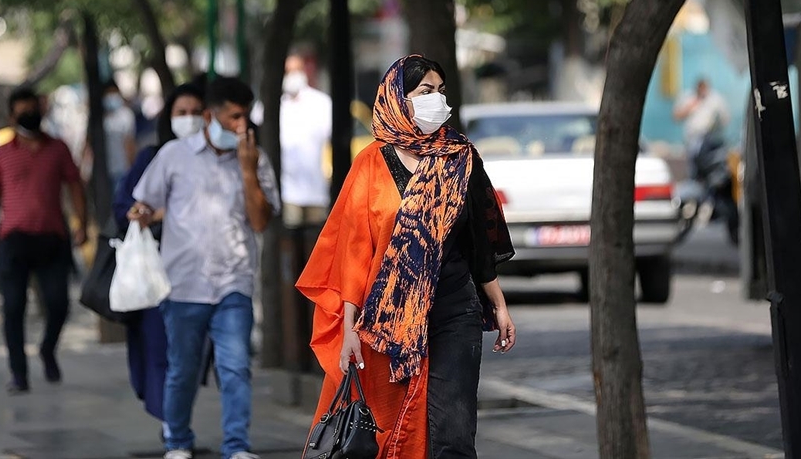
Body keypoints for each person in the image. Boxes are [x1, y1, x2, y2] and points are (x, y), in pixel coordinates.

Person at [296, 55, 517, 458]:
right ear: (398, 98)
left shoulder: (459, 157)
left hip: (454, 309)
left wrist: (499, 306)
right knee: (386, 429)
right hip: (386, 315)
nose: (437, 100)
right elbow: (354, 252)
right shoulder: (370, 163)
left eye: (441, 90)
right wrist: (349, 328)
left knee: (454, 434)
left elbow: (479, 244)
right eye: (425, 91)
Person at [128, 76, 280, 459]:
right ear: (211, 117)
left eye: (245, 117)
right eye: (234, 117)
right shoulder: (174, 155)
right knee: (182, 370)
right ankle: (177, 440)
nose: (241, 126)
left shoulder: (256, 159)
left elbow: (260, 221)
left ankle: (237, 446)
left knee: (235, 368)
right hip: (183, 284)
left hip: (234, 282)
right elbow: (146, 201)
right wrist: (142, 213)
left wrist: (247, 170)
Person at [0, 87, 89, 394]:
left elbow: (75, 186)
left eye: (33, 109)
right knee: (13, 307)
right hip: (14, 240)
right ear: (12, 116)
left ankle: (47, 349)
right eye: (23, 112)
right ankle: (19, 373)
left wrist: (82, 223)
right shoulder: (0, 154)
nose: (30, 115)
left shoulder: (58, 149)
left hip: (52, 238)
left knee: (59, 304)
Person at [111, 83, 205, 441]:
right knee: (159, 348)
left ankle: (175, 423)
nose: (189, 120)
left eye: (196, 112)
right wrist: (151, 214)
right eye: (181, 113)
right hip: (156, 269)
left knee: (190, 354)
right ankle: (173, 427)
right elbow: (125, 206)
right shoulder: (152, 156)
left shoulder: (214, 158)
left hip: (201, 272)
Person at [250, 54, 332, 228]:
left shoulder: (321, 103)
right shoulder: (269, 105)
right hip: (286, 192)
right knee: (287, 238)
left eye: (296, 70)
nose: (292, 76)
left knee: (317, 238)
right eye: (288, 71)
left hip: (316, 190)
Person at [673, 78, 730, 178]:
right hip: (692, 138)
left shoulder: (715, 99)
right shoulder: (689, 97)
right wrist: (691, 106)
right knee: (693, 166)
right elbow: (676, 116)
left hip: (708, 138)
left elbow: (725, 119)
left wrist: (716, 126)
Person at [103, 80, 137, 190]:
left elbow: (129, 143)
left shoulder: (126, 115)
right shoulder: (100, 117)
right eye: (108, 93)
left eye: (113, 92)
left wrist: (131, 168)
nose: (111, 96)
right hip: (104, 170)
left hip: (121, 169)